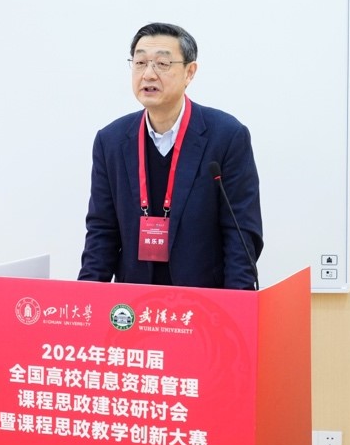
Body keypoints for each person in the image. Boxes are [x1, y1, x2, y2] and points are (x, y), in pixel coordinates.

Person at [77, 23, 263, 290]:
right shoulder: (111, 141)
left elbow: (240, 233)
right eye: (140, 63)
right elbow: (101, 231)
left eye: (162, 64)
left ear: (190, 72)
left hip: (204, 299)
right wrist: (87, 297)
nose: (148, 74)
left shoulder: (227, 136)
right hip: (134, 301)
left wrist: (236, 303)